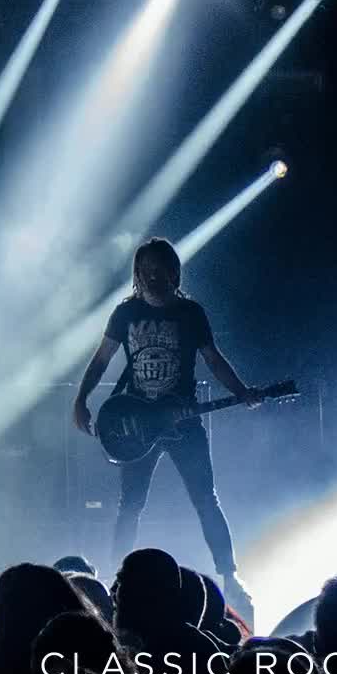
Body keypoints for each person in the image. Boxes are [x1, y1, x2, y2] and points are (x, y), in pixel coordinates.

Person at [71, 238, 263, 614]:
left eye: (161, 270)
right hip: (136, 425)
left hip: (183, 421)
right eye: (146, 272)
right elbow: (100, 360)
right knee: (131, 505)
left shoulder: (190, 313)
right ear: (137, 275)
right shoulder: (125, 314)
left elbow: (214, 359)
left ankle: (229, 575)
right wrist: (81, 399)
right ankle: (117, 580)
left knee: (206, 498)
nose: (153, 278)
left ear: (174, 272)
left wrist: (241, 391)